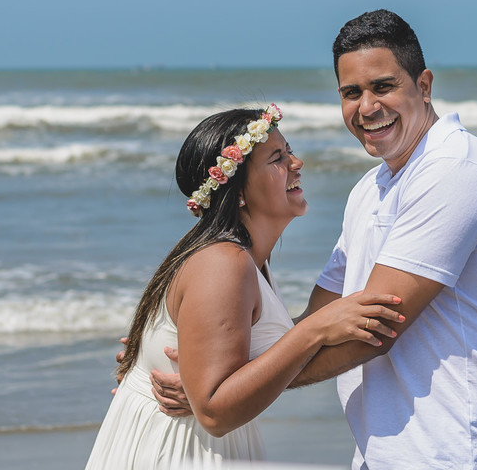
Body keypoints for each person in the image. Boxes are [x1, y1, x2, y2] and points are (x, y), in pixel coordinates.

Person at [149, 11, 477, 469]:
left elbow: (374, 331)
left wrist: (225, 387)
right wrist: (203, 358)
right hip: (381, 454)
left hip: (458, 454)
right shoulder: (369, 189)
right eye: (351, 93)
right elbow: (316, 320)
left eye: (383, 86)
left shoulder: (455, 169)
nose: (367, 107)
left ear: (424, 85)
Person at [85, 105, 403, 469]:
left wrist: (200, 377)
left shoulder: (246, 259)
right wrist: (315, 330)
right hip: (179, 450)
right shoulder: (225, 264)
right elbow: (216, 413)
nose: (297, 163)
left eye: (290, 150)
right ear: (238, 192)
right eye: (277, 158)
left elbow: (236, 368)